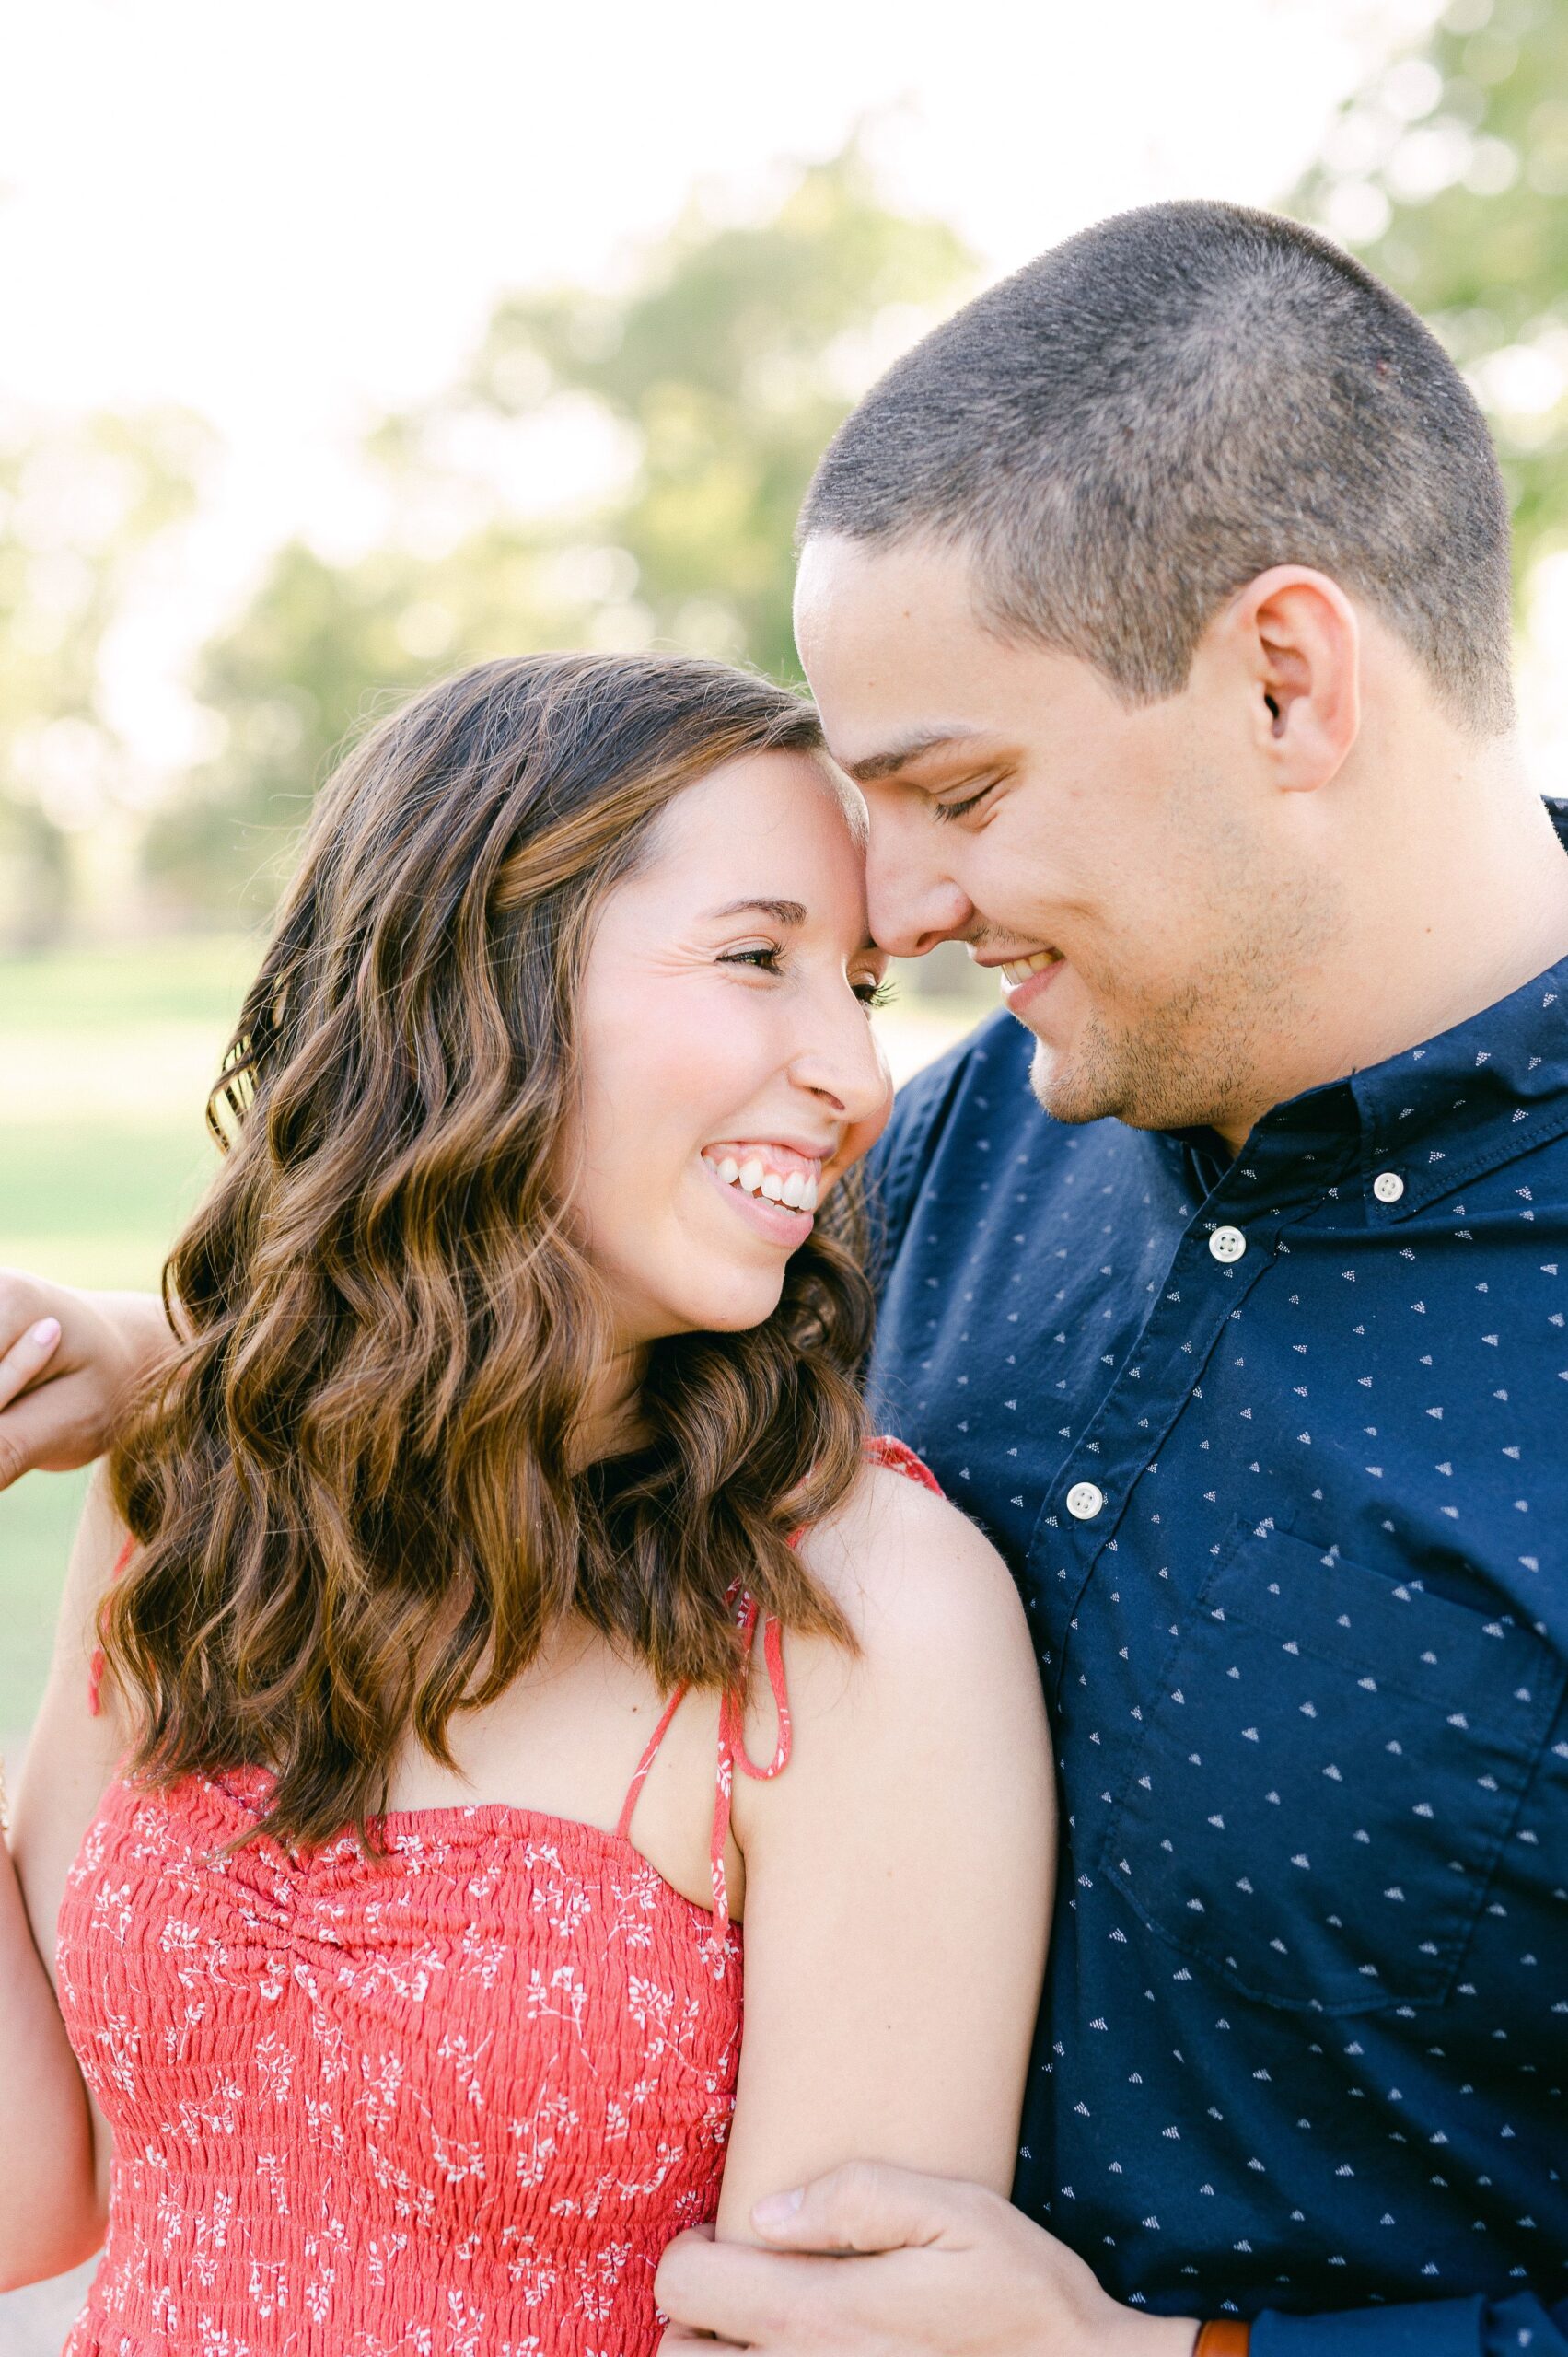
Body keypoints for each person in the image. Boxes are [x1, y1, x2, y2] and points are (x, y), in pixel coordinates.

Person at [6, 197, 1568, 2353]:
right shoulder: (981, 1136)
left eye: (959, 791)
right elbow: (526, 1258)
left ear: (1288, 681)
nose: (902, 917)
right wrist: (138, 1356)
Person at [0, 652, 1052, 2353]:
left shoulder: (867, 1618)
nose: (856, 1079)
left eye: (856, 987)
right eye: (758, 959)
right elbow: (31, 2190)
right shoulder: (197, 1476)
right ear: (470, 981)